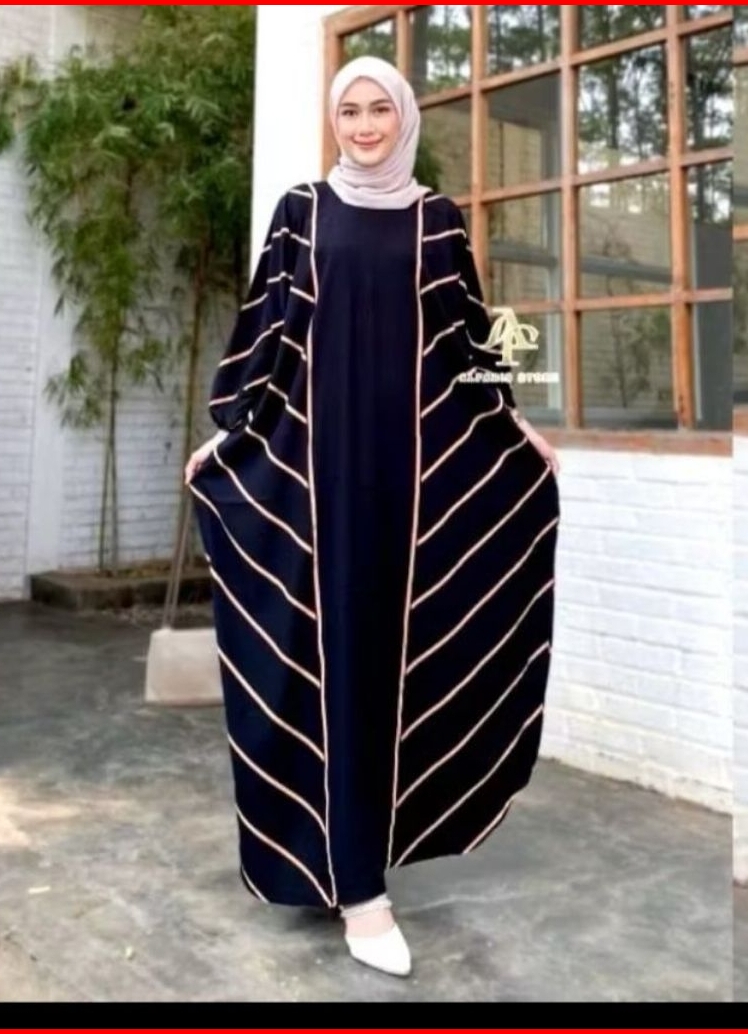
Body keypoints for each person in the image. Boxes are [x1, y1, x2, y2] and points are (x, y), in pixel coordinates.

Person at [185, 56, 560, 978]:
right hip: (319, 472)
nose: (362, 125)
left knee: (402, 660)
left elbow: (469, 332)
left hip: (414, 477)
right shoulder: (301, 212)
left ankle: (352, 860)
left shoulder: (438, 219)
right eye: (348, 110)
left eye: (378, 110)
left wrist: (514, 425)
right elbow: (268, 329)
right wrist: (229, 431)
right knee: (329, 659)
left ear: (404, 119)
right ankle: (359, 889)